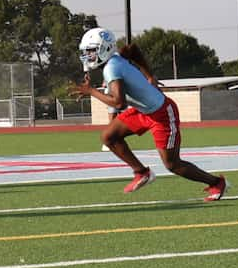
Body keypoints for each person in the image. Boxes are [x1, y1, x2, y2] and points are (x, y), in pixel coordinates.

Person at [81, 27, 228, 200]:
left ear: (104, 48)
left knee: (172, 164)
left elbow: (119, 102)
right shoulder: (114, 59)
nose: (88, 55)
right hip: (144, 110)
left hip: (162, 114)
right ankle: (141, 172)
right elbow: (134, 50)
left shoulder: (111, 68)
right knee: (109, 136)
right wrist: (150, 76)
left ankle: (216, 182)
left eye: (91, 51)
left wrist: (91, 91)